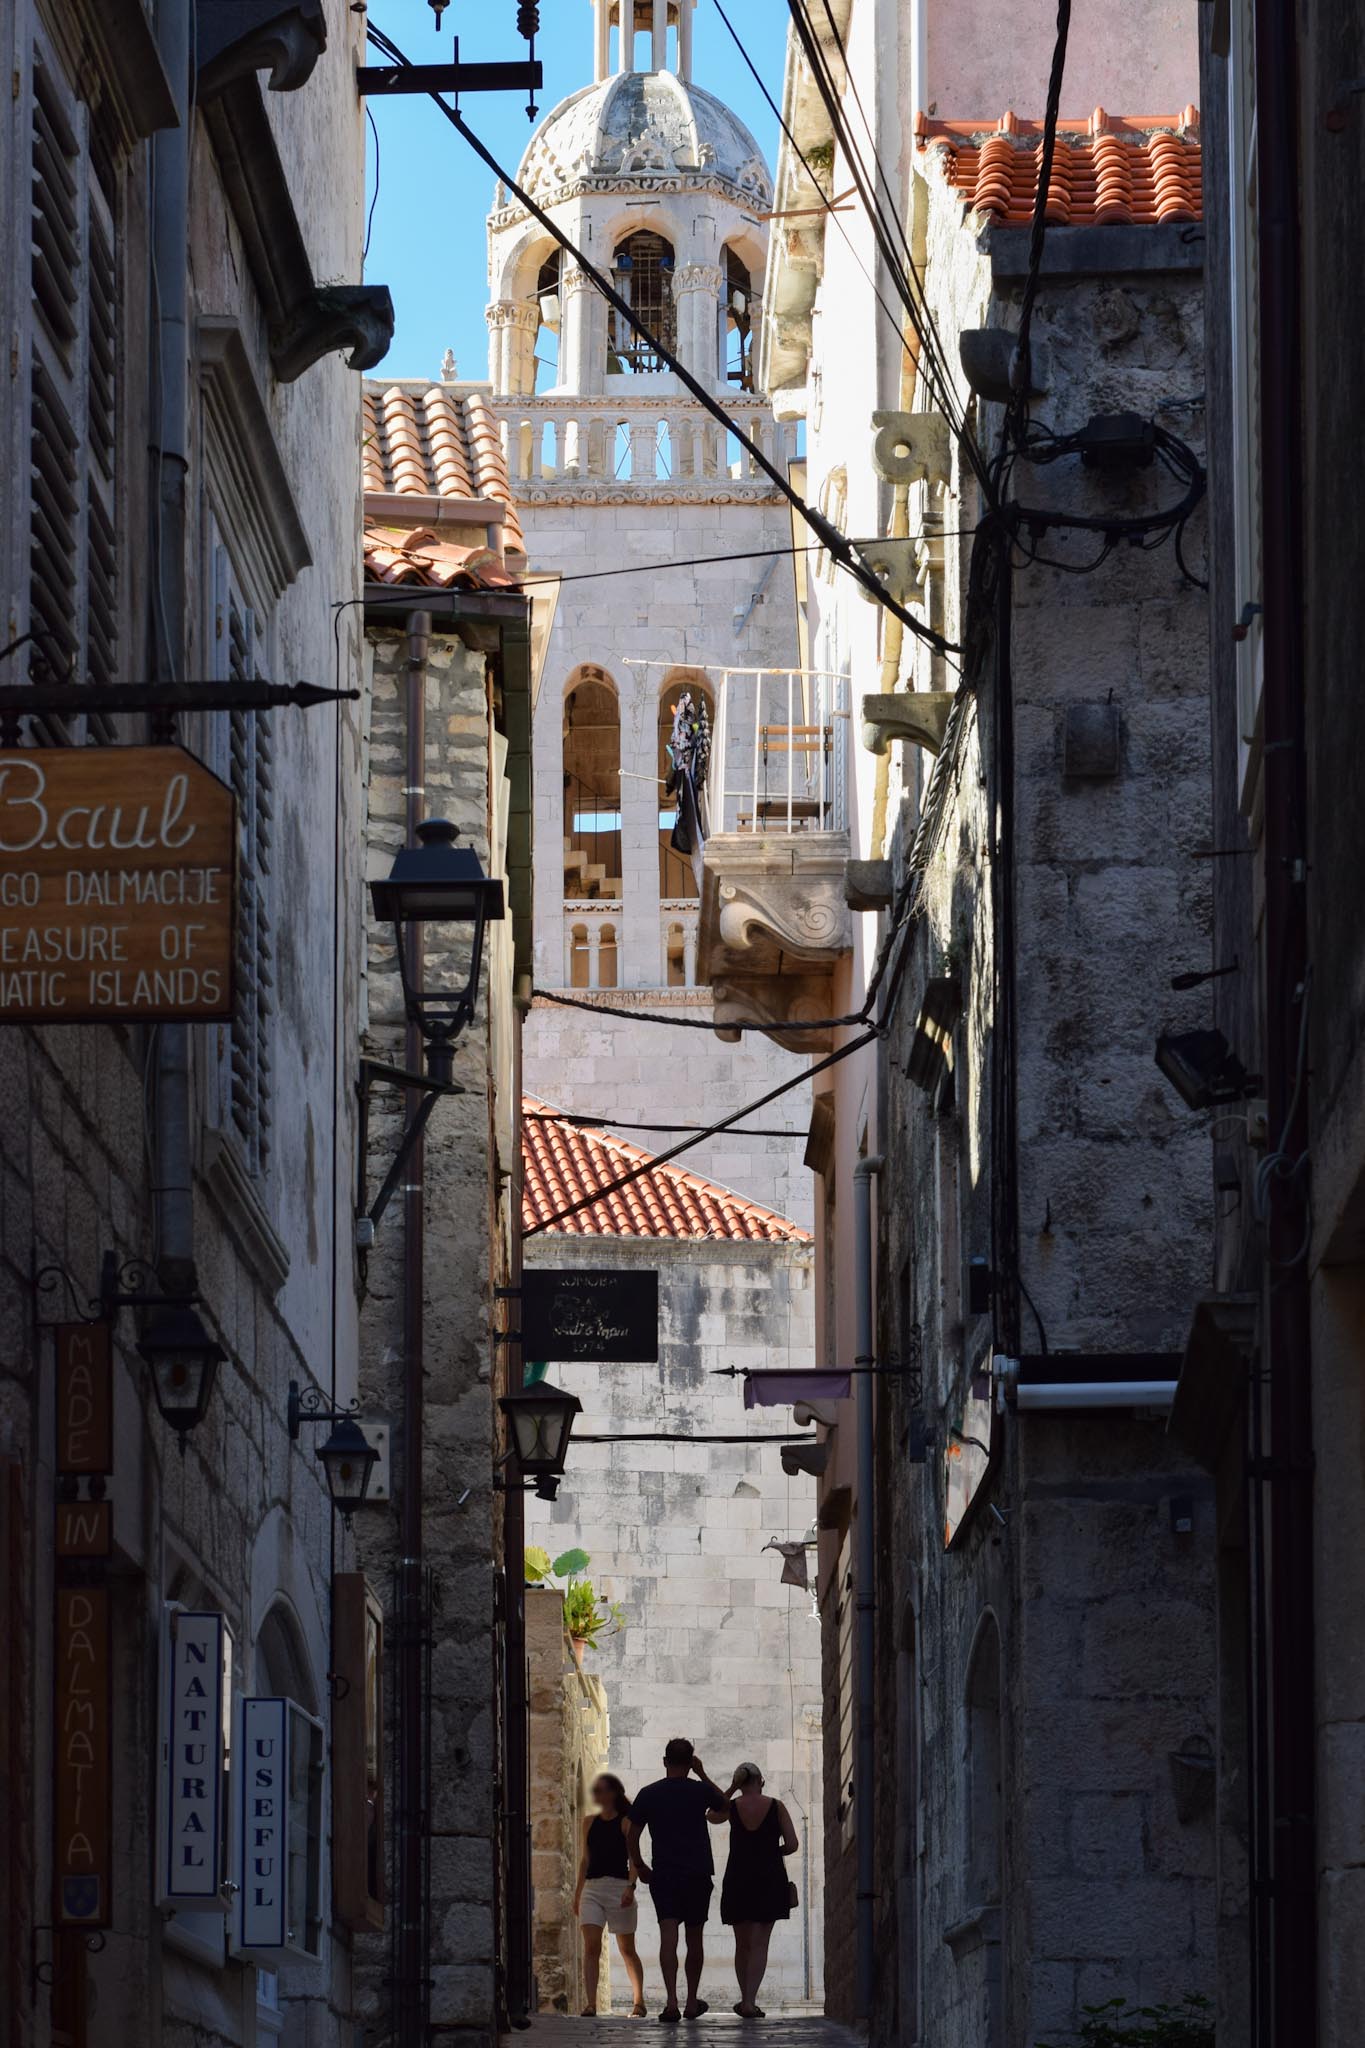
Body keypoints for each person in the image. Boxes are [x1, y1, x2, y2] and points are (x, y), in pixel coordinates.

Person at [626, 1737, 729, 2023]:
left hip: (665, 1873)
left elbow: (632, 1834)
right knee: (695, 1939)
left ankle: (671, 2003)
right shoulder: (699, 1791)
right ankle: (692, 2002)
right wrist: (703, 1774)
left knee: (668, 1937)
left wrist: (639, 1864)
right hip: (697, 1873)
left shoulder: (649, 1793)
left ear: (664, 1761)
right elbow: (725, 1807)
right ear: (690, 1762)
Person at [719, 1762, 799, 2019]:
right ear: (761, 1781)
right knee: (760, 1943)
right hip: (769, 1876)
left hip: (738, 1877)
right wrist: (773, 1851)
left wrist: (731, 1788)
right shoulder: (776, 1806)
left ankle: (745, 1999)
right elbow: (793, 1844)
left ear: (740, 1782)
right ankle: (750, 2002)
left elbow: (711, 1814)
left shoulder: (732, 1807)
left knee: (742, 1943)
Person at [573, 1774, 648, 2018]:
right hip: (592, 1889)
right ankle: (591, 2003)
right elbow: (585, 1861)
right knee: (591, 1946)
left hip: (618, 1888)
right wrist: (578, 1893)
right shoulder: (588, 1822)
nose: (599, 1795)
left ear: (614, 1793)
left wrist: (630, 1886)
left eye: (603, 1790)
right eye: (596, 1791)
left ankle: (638, 2002)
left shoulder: (626, 1823)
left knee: (627, 1949)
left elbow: (634, 1858)